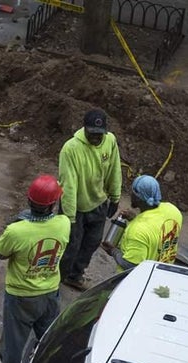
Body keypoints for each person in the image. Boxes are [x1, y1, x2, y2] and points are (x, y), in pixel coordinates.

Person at [0, 175, 71, 363]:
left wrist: (19, 223)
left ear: (29, 201)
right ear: (53, 204)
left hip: (22, 296)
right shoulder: (64, 224)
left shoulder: (17, 231)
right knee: (49, 341)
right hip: (50, 292)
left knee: (14, 346)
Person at [58, 108, 122, 291]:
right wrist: (69, 218)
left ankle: (74, 275)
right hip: (75, 207)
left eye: (99, 134)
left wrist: (115, 196)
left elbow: (114, 169)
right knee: (71, 245)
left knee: (92, 242)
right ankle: (57, 280)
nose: (96, 137)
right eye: (92, 133)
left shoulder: (110, 141)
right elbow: (67, 185)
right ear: (84, 129)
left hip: (98, 203)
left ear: (106, 132)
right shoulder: (71, 148)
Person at [101, 175, 182, 271]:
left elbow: (131, 265)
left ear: (138, 198)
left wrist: (113, 251)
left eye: (133, 192)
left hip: (137, 281)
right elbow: (156, 229)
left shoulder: (137, 230)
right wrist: (135, 218)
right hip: (162, 272)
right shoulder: (173, 211)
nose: (131, 194)